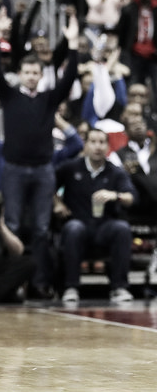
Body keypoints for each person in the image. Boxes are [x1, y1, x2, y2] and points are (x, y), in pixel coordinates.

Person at [0, 5, 80, 299]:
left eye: (35, 72)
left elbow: (68, 80)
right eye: (26, 71)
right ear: (20, 73)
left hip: (43, 170)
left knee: (41, 229)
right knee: (12, 225)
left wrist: (74, 45)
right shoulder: (9, 95)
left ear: (41, 75)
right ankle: (12, 283)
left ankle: (40, 283)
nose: (30, 76)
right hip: (14, 168)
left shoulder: (49, 99)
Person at [55, 128, 137, 303]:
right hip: (79, 224)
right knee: (73, 228)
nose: (97, 147)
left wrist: (115, 195)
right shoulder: (71, 168)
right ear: (85, 145)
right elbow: (47, 185)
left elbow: (131, 198)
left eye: (102, 142)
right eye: (93, 142)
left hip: (104, 226)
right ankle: (71, 287)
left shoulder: (115, 171)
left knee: (122, 229)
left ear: (108, 146)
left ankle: (119, 288)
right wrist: (57, 203)